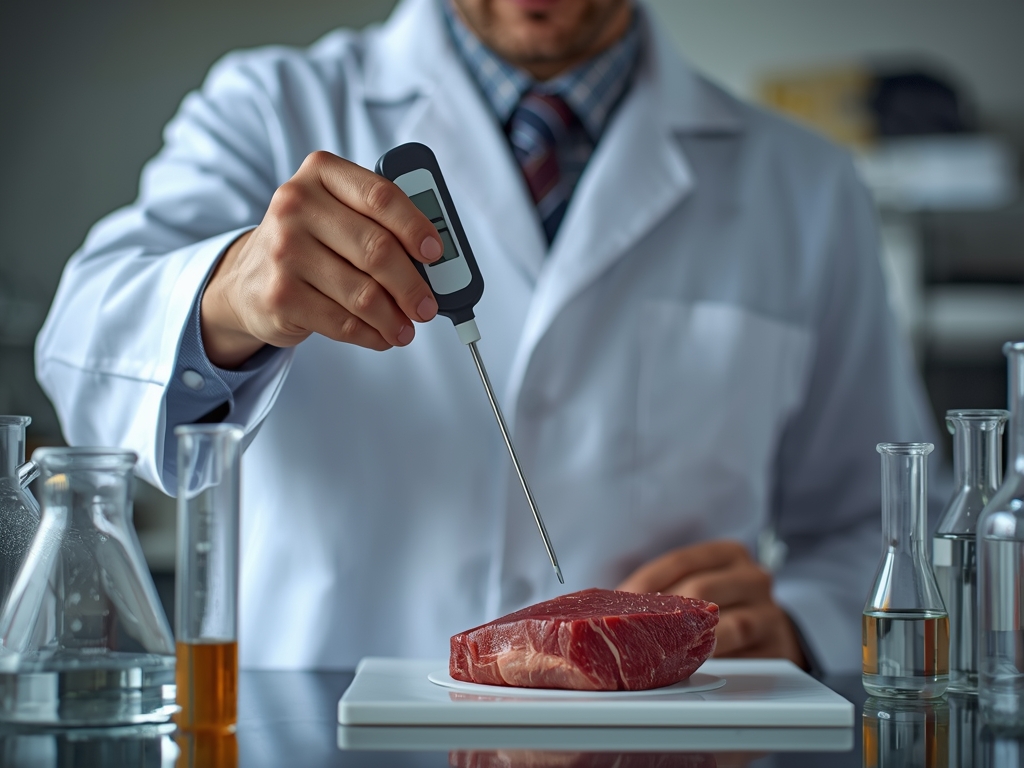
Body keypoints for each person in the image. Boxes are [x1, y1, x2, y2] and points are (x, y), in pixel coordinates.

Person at [36, 0, 936, 674]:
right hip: (322, 729)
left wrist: (803, 623)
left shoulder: (806, 188)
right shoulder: (270, 108)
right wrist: (232, 292)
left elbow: (884, 520)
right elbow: (83, 346)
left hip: (656, 741)